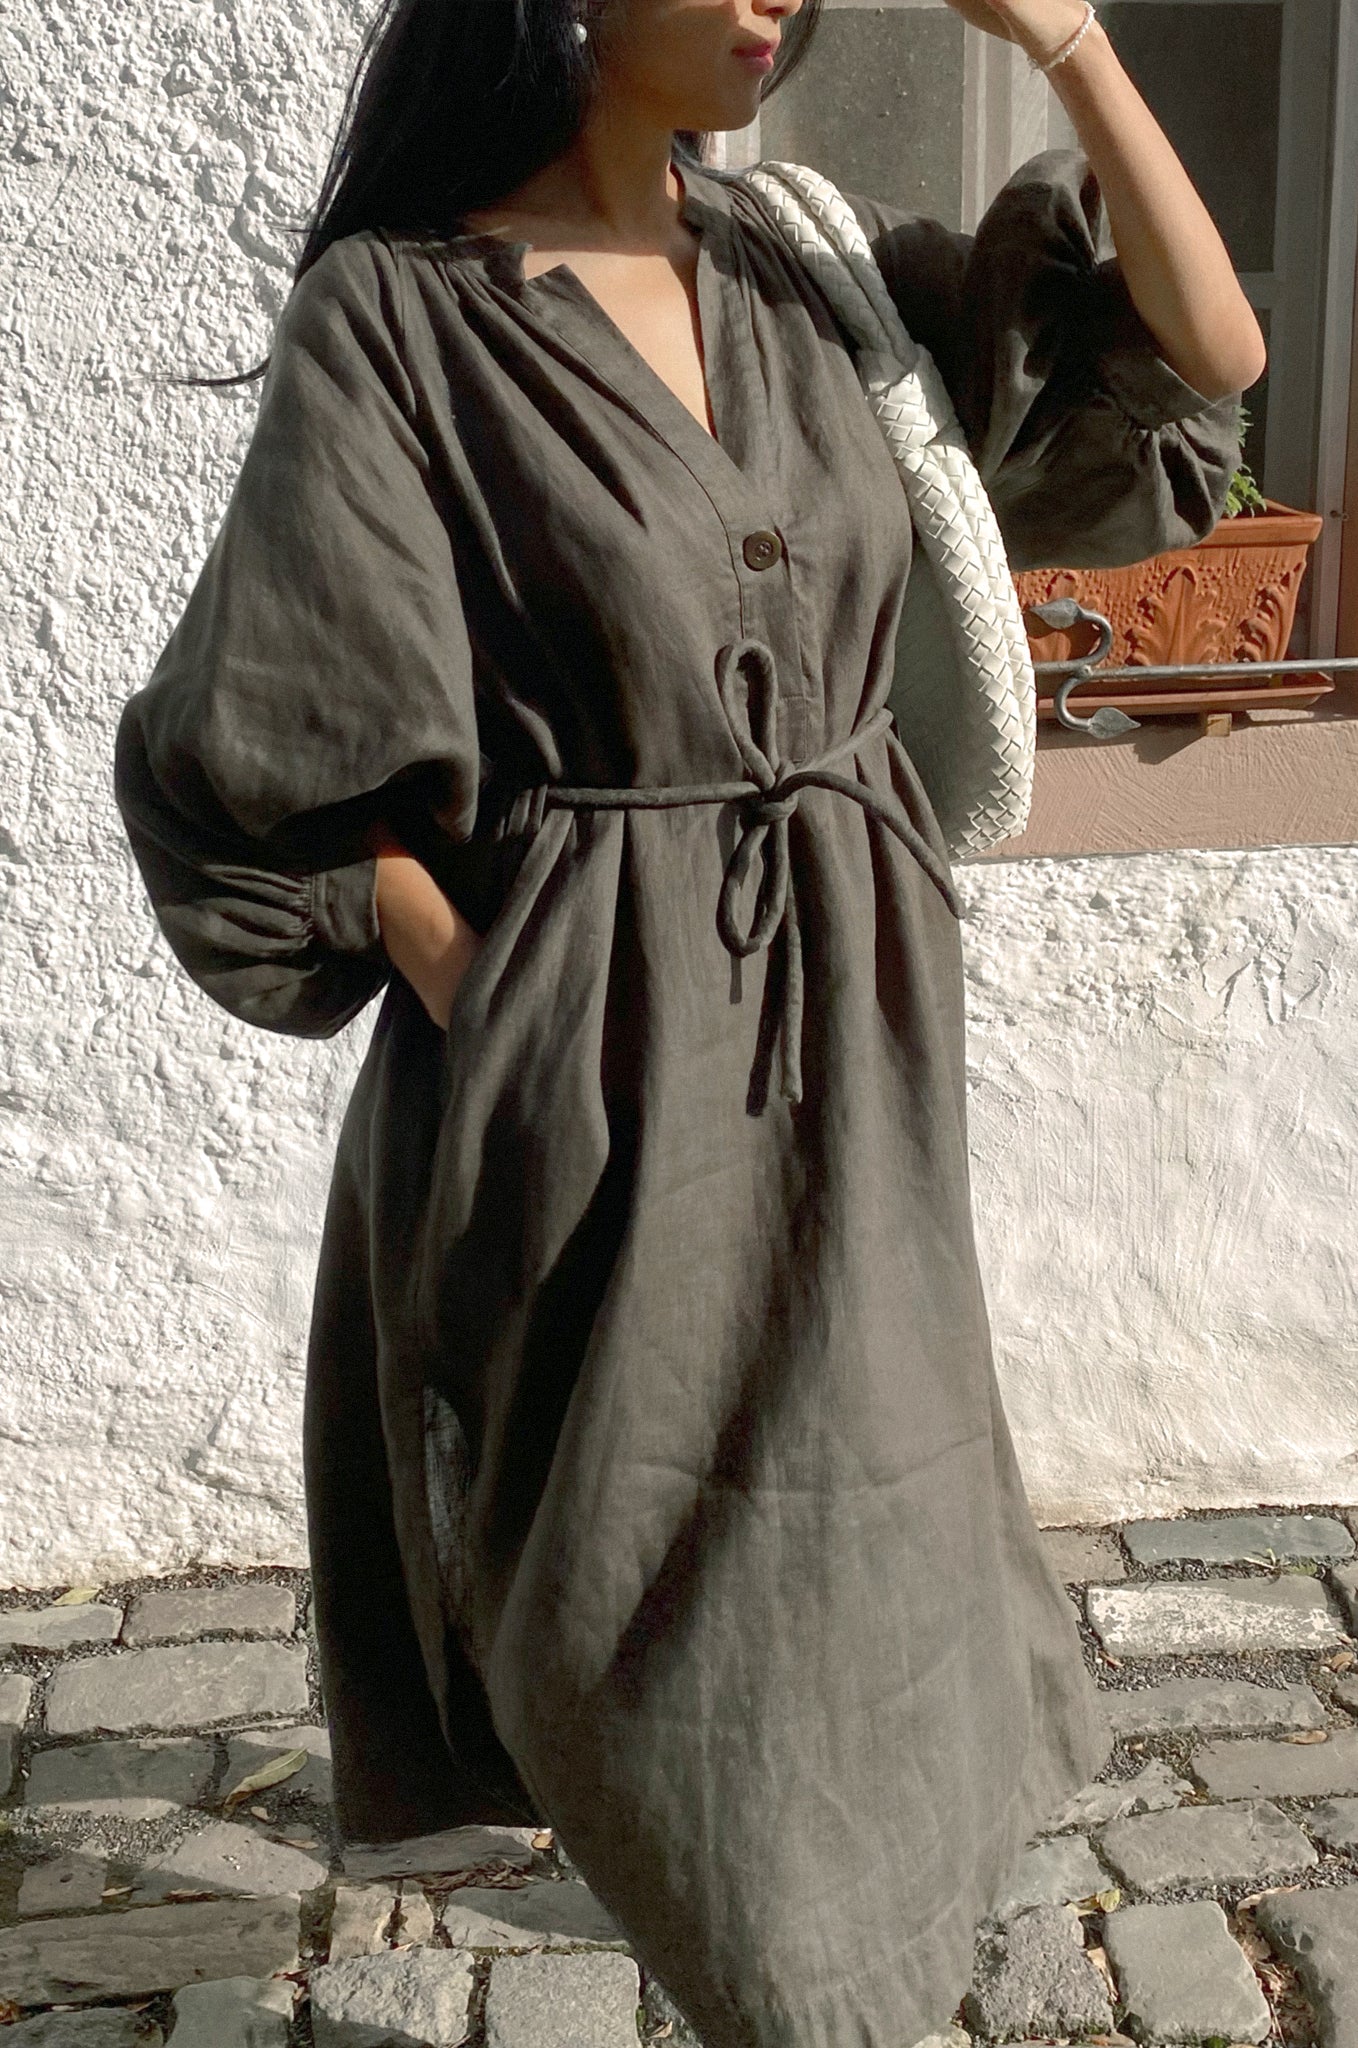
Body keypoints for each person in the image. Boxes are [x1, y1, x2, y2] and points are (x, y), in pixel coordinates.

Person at [112, 0, 1263, 2036]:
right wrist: (507, 989)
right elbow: (247, 764)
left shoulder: (809, 266)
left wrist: (1072, 43)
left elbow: (1199, 371)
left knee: (866, 1575)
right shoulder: (401, 320)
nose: (768, 4)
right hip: (598, 1088)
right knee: (642, 1629)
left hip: (857, 1062)